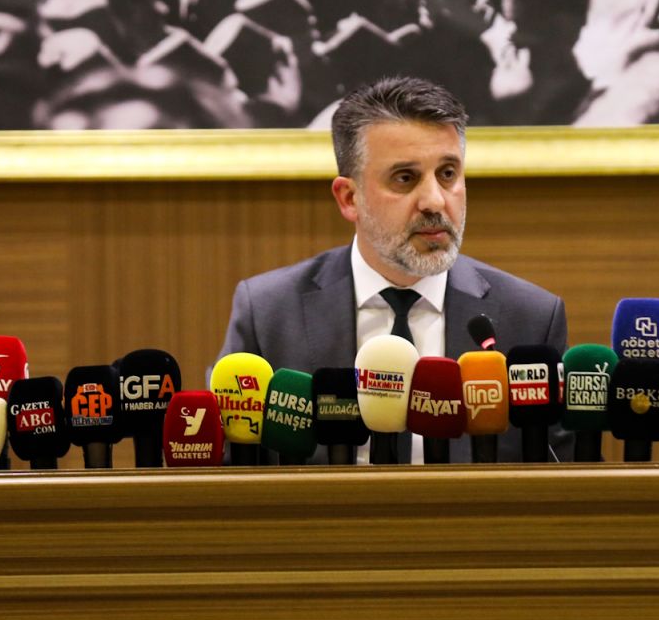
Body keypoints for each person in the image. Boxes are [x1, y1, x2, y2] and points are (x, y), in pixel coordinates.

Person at [216, 76, 569, 463]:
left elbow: (567, 479)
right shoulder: (269, 312)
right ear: (349, 198)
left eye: (447, 174)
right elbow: (229, 474)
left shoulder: (531, 317)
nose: (435, 201)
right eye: (405, 178)